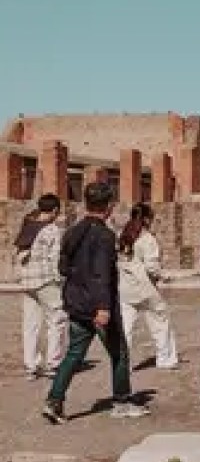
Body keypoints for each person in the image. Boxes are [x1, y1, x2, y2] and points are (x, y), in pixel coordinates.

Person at [43, 182, 146, 425]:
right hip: (97, 305)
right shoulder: (104, 236)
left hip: (76, 302)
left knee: (74, 353)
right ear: (109, 206)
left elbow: (63, 267)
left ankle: (54, 400)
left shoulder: (71, 231)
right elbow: (101, 274)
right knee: (119, 352)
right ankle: (121, 401)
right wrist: (102, 306)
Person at [117, 204, 179, 370]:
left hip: (125, 289)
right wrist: (163, 276)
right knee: (160, 322)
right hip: (145, 288)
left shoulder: (122, 237)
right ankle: (165, 358)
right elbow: (152, 267)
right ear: (146, 219)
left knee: (125, 328)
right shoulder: (147, 239)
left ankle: (123, 362)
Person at [15, 193, 67, 381]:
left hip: (27, 282)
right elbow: (55, 259)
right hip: (45, 281)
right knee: (57, 320)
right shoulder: (52, 230)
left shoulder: (27, 226)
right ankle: (54, 364)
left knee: (31, 324)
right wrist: (60, 280)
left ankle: (31, 365)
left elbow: (20, 255)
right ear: (54, 211)